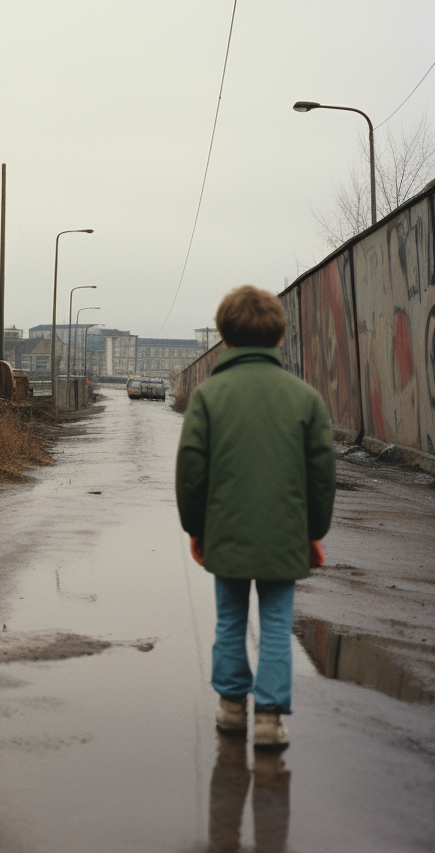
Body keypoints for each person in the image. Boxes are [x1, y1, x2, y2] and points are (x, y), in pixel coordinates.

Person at [176, 285, 335, 749]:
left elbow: (191, 470)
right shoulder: (305, 399)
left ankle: (230, 709)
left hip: (225, 533)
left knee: (230, 620)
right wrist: (313, 531)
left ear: (223, 338)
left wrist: (197, 528)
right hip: (286, 536)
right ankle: (268, 718)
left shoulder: (208, 397)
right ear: (280, 339)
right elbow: (321, 475)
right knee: (276, 626)